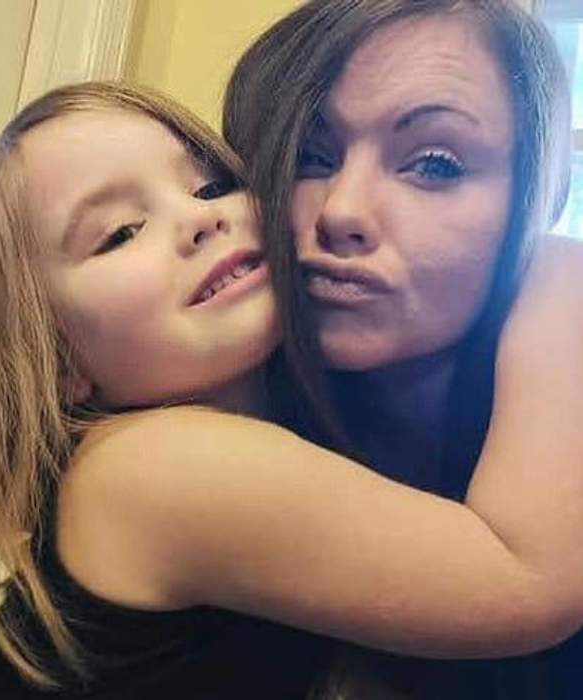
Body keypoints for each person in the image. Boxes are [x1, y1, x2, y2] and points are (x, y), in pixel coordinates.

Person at [0, 81, 583, 699]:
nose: (201, 218)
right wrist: (556, 264)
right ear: (59, 358)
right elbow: (526, 579)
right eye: (120, 232)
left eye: (210, 185)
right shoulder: (156, 467)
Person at [222, 0, 573, 696]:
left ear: (538, 196)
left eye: (434, 164)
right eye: (309, 157)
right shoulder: (200, 431)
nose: (342, 212)